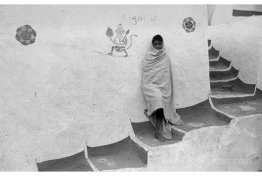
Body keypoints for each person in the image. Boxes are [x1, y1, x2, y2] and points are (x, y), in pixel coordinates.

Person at [142, 34, 184, 142]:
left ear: (162, 44)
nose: (157, 46)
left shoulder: (165, 56)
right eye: (155, 44)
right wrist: (152, 86)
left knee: (160, 101)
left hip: (164, 87)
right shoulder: (148, 56)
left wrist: (164, 87)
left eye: (159, 43)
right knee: (158, 99)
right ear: (152, 45)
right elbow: (147, 74)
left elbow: (166, 74)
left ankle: (159, 130)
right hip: (150, 86)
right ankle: (160, 131)